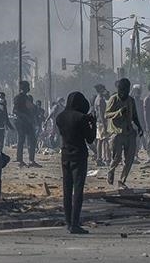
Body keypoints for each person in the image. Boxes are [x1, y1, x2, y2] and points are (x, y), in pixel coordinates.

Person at [56, 91, 96, 234]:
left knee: (67, 190)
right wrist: (93, 124)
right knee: (78, 191)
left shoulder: (60, 117)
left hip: (65, 155)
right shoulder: (81, 118)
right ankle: (75, 223)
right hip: (79, 156)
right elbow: (90, 139)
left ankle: (68, 222)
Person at [105, 78, 143, 189]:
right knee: (117, 158)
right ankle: (111, 171)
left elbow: (134, 115)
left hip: (129, 132)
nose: (123, 93)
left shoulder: (131, 100)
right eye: (121, 90)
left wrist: (140, 127)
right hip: (116, 132)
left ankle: (122, 180)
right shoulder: (113, 99)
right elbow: (106, 114)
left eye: (125, 90)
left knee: (129, 159)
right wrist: (119, 112)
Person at [13, 81, 40, 167]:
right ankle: (19, 160)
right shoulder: (18, 98)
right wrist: (25, 116)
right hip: (21, 122)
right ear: (23, 88)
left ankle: (31, 160)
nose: (28, 88)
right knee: (21, 140)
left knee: (32, 140)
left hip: (28, 122)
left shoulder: (27, 98)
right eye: (27, 86)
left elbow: (31, 108)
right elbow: (15, 110)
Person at [93, 84, 111, 166]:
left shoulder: (97, 99)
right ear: (101, 90)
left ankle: (99, 158)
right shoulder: (100, 100)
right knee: (106, 140)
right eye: (104, 89)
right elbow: (101, 113)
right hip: (102, 122)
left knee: (100, 140)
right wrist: (104, 125)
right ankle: (106, 158)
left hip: (99, 122)